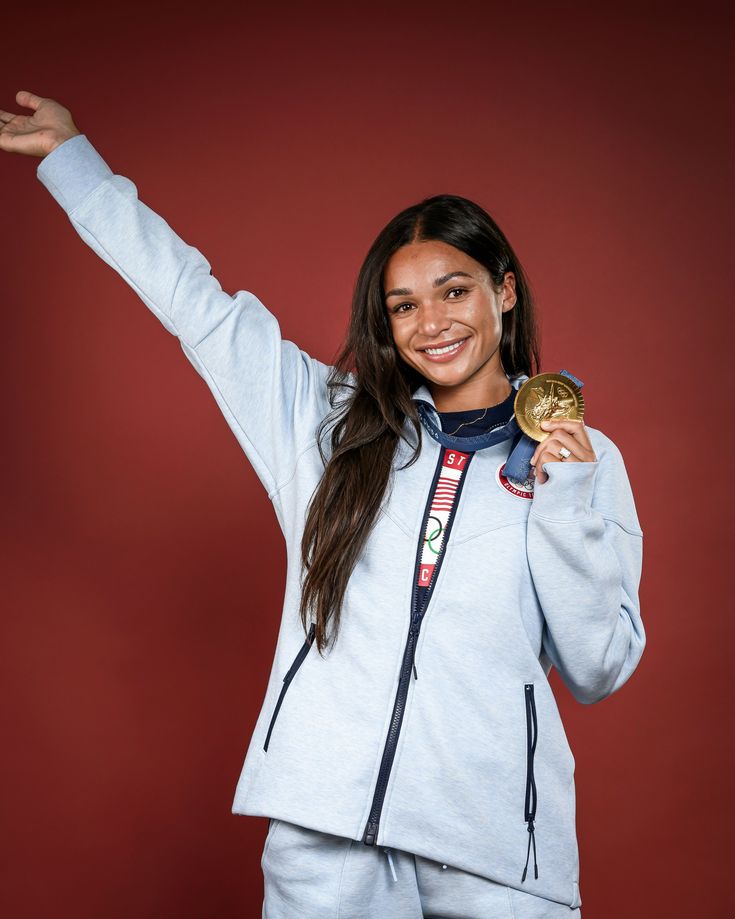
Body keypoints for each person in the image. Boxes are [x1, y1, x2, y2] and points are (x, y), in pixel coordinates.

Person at [1, 90, 646, 918]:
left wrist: (563, 500)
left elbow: (597, 667)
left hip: (495, 850)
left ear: (505, 292)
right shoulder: (323, 423)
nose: (431, 323)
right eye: (403, 305)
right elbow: (195, 303)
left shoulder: (584, 463)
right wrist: (73, 163)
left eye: (454, 291)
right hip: (327, 831)